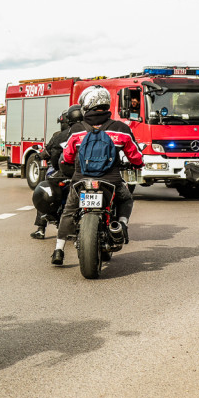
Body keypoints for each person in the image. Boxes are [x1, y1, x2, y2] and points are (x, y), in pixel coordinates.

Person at [51, 86, 144, 266]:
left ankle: (59, 249)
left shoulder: (77, 129)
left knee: (69, 210)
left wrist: (70, 164)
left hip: (81, 180)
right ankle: (122, 225)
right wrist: (139, 164)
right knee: (126, 199)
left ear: (87, 104)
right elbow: (136, 156)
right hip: (111, 181)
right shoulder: (121, 128)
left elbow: (68, 156)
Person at [31, 105, 82, 239]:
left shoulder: (59, 136)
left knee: (45, 190)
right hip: (83, 172)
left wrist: (41, 155)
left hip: (62, 172)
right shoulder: (89, 132)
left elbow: (51, 154)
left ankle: (41, 228)